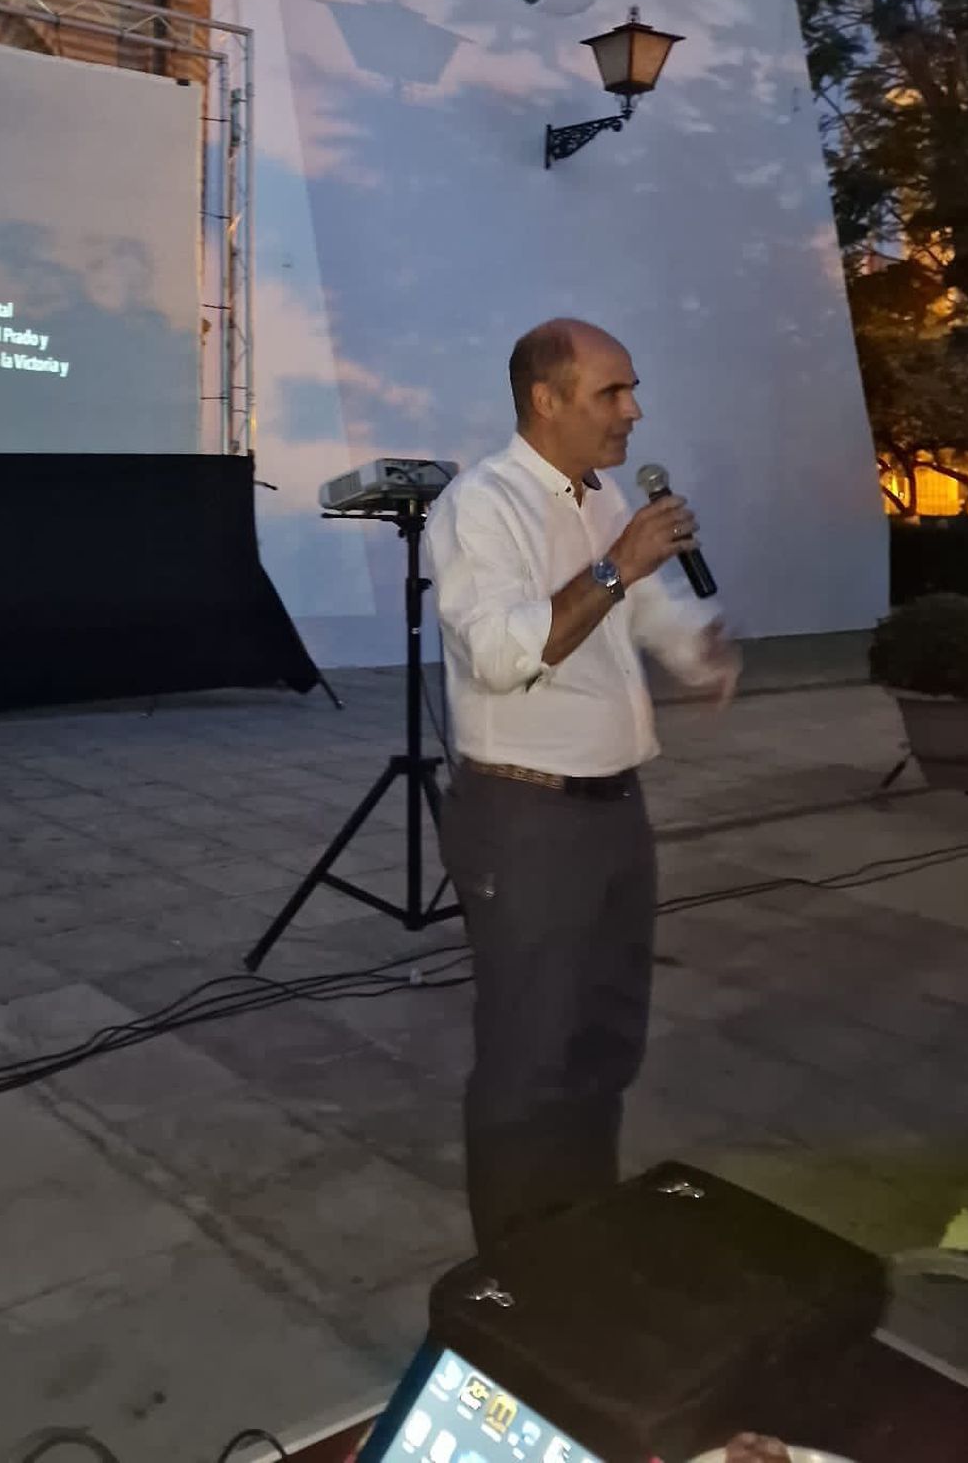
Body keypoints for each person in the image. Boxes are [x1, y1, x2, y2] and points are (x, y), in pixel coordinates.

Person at [423, 317, 739, 1255]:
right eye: (612, 391)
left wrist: (695, 647)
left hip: (614, 808)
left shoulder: (599, 499)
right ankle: (518, 1276)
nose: (633, 410)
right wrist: (618, 562)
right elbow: (499, 654)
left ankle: (582, 1243)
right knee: (530, 1057)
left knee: (605, 1043)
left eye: (632, 388)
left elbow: (641, 610)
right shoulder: (482, 505)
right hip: (526, 817)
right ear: (546, 398)